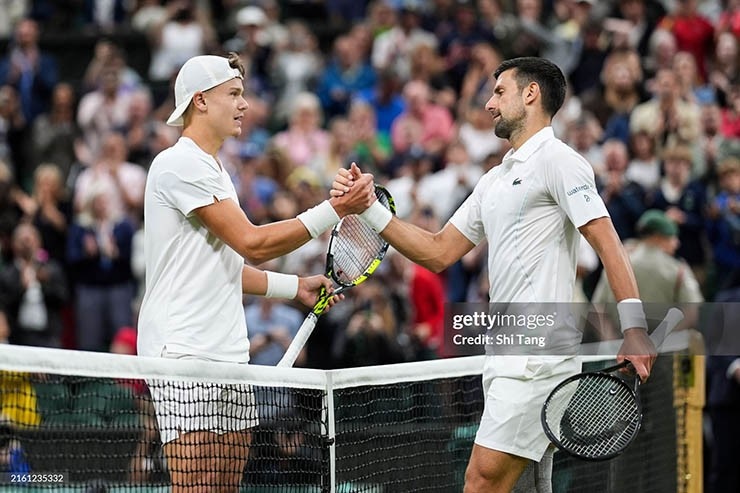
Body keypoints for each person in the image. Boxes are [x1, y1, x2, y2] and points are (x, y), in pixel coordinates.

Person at [333, 57, 656, 493]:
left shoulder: (561, 161)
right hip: (503, 358)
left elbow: (606, 240)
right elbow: (438, 251)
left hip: (540, 356)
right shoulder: (493, 181)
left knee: (480, 481)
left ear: (531, 94)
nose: (488, 104)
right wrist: (369, 208)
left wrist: (634, 326)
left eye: (499, 91)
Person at [136, 52, 373, 492]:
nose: (245, 105)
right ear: (200, 101)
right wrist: (335, 208)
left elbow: (223, 266)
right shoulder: (179, 163)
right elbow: (253, 242)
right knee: (197, 486)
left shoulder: (215, 169)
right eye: (235, 94)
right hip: (184, 350)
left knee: (226, 484)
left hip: (227, 350)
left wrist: (293, 287)